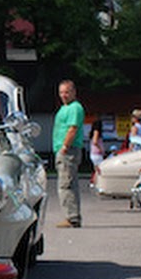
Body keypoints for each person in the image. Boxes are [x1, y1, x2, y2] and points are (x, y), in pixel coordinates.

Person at [53, 79, 85, 227]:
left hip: (68, 150)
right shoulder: (65, 107)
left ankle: (71, 217)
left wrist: (65, 146)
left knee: (66, 185)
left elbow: (73, 128)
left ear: (74, 92)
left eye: (67, 92)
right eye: (61, 92)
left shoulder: (75, 108)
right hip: (63, 149)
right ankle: (72, 216)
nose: (63, 95)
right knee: (67, 183)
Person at [88, 118, 105, 186]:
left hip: (94, 153)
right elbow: (95, 141)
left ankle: (94, 181)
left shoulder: (93, 132)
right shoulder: (96, 131)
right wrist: (100, 148)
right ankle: (95, 182)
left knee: (96, 169)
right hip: (97, 153)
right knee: (99, 169)